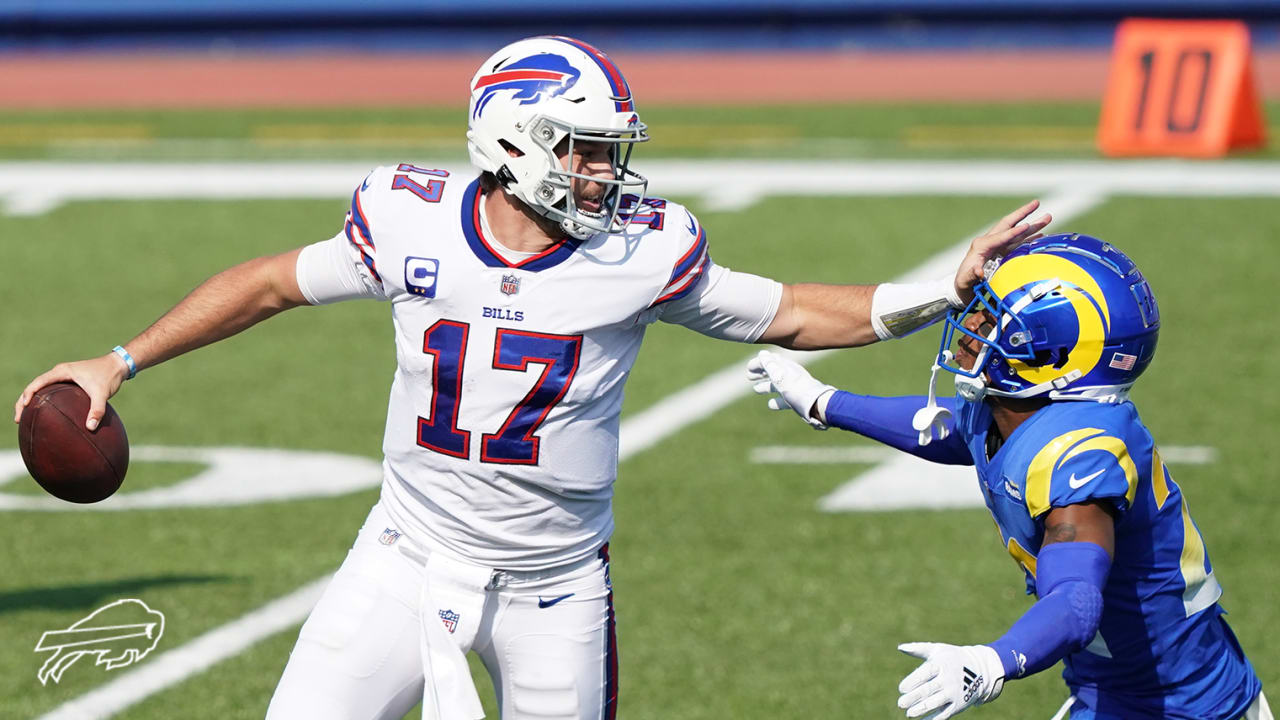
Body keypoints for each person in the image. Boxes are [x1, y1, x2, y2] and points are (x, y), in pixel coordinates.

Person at [14, 36, 1048, 720]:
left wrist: (935, 290)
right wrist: (120, 359)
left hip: (555, 590)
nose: (607, 173)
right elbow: (271, 285)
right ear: (514, 142)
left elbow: (790, 312)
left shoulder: (642, 251)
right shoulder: (409, 221)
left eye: (609, 153)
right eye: (586, 151)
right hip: (404, 557)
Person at [747, 233, 1269, 720]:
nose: (970, 325)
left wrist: (992, 662)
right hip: (1112, 684)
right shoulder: (1010, 408)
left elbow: (1075, 598)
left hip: (1182, 705)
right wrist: (823, 401)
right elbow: (949, 431)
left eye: (991, 316)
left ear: (1049, 351)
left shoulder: (1082, 451)